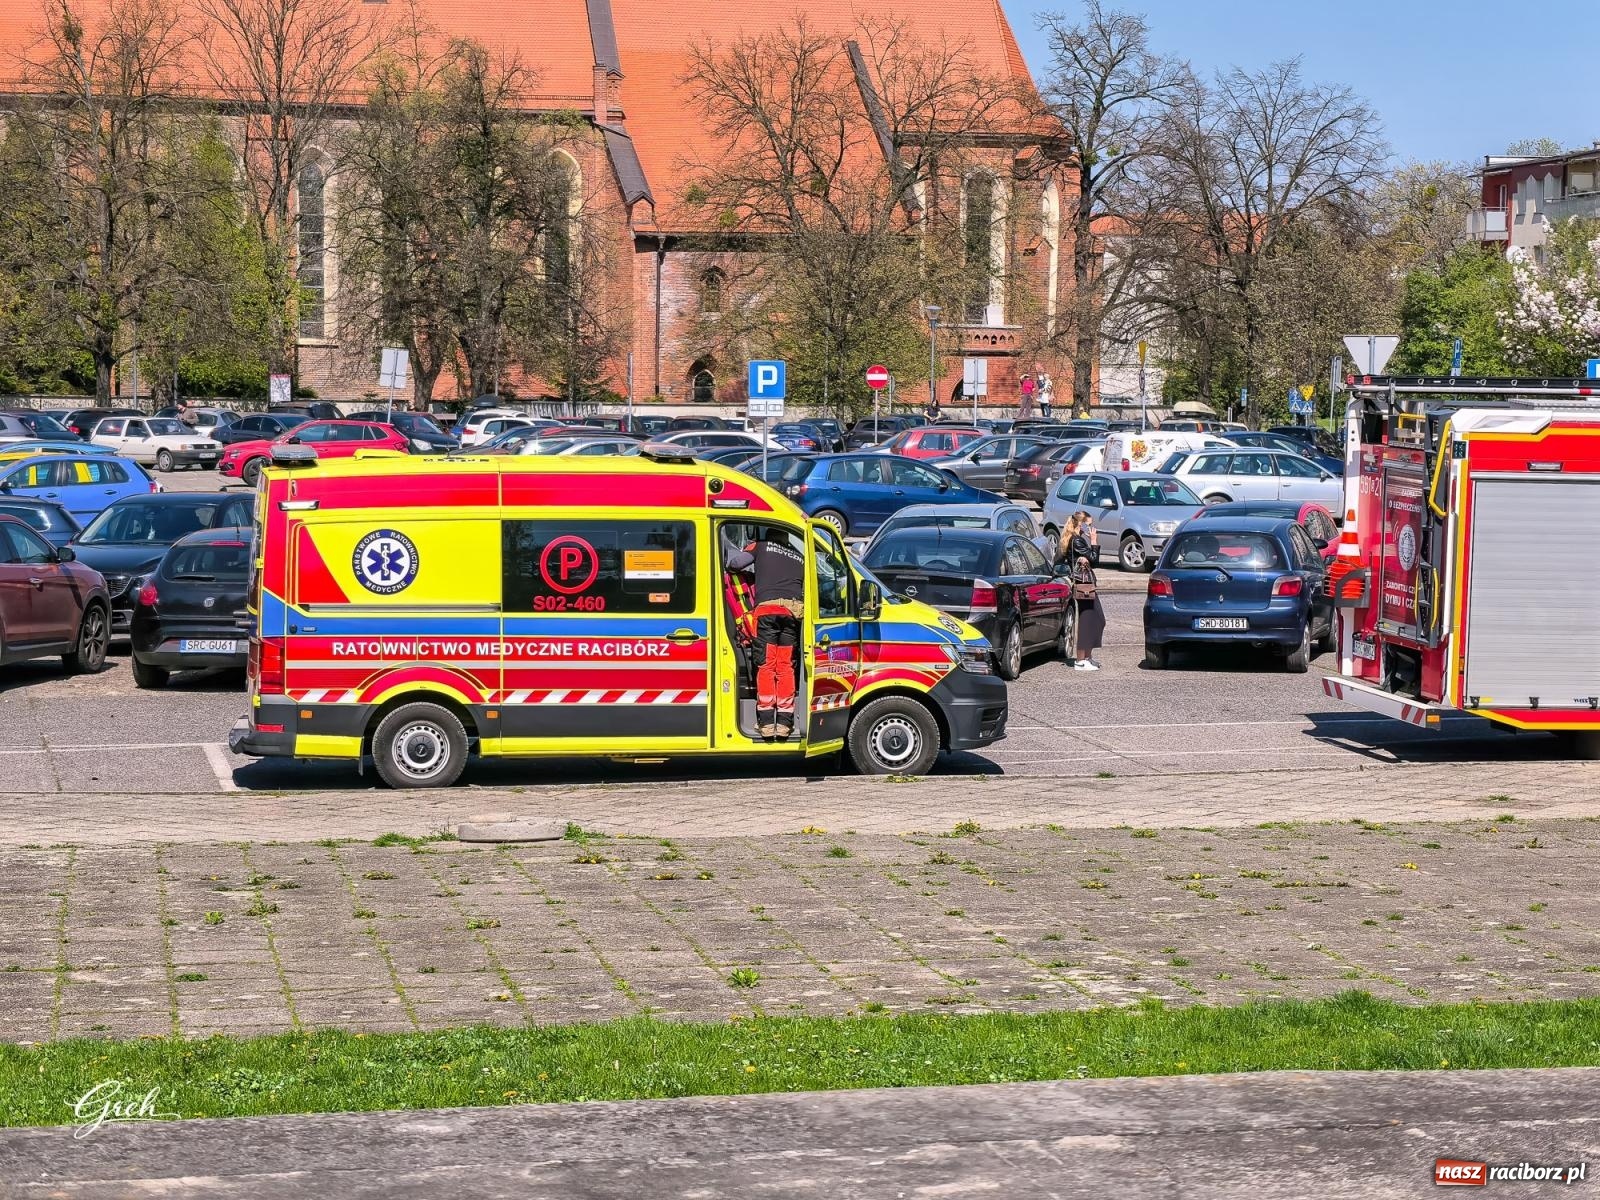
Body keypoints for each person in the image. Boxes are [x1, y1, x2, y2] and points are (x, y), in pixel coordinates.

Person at [727, 528, 806, 740]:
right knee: (786, 665)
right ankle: (785, 724)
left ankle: (766, 722)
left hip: (768, 612)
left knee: (766, 664)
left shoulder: (760, 546)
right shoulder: (799, 556)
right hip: (793, 613)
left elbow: (734, 565)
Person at [1062, 510, 1105, 672]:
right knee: (1089, 620)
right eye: (1089, 524)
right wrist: (1094, 541)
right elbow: (1094, 560)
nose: (1091, 528)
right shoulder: (1077, 541)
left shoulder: (1076, 540)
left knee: (1097, 619)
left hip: (1086, 584)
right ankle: (1081, 660)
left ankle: (1087, 657)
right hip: (1084, 585)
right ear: (1080, 524)